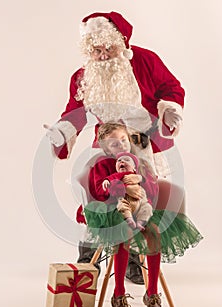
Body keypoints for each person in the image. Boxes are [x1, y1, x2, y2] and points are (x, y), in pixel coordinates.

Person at [45, 11, 185, 284]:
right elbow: (74, 113)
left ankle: (134, 261)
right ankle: (88, 260)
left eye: (108, 48)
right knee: (98, 198)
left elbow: (171, 88)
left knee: (140, 201)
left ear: (120, 44)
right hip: (105, 149)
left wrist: (168, 111)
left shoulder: (145, 61)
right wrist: (61, 134)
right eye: (95, 50)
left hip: (141, 149)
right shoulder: (83, 76)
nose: (102, 56)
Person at [83, 122, 203, 307]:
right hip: (114, 210)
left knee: (154, 231)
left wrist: (143, 180)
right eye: (114, 144)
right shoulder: (102, 165)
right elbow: (98, 191)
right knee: (125, 232)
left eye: (123, 140)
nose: (121, 146)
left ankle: (152, 293)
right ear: (105, 149)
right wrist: (120, 186)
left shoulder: (140, 163)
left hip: (141, 208)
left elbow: (153, 193)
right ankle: (119, 293)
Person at [102, 152, 153, 231]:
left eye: (127, 160)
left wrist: (141, 178)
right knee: (122, 206)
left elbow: (149, 186)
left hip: (140, 200)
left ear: (134, 168)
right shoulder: (119, 175)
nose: (122, 161)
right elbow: (112, 178)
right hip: (125, 198)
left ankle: (140, 222)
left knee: (147, 208)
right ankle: (129, 219)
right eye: (119, 161)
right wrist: (106, 180)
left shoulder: (137, 175)